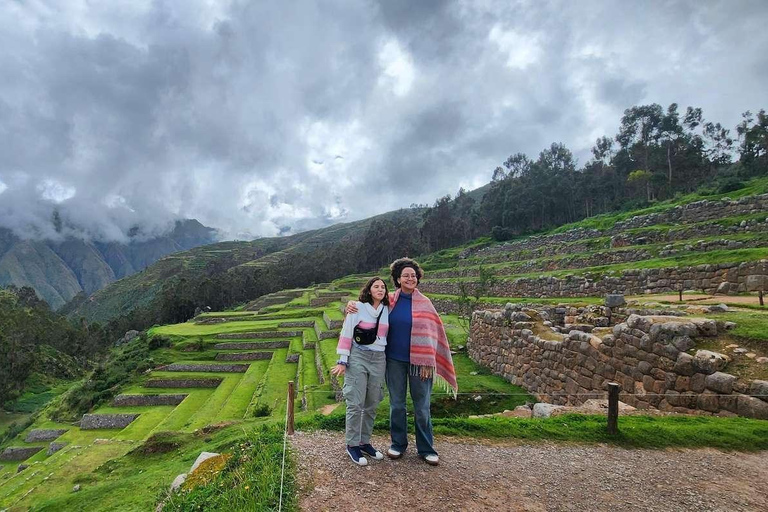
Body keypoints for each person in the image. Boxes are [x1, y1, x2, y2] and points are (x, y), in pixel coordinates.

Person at [347, 257, 457, 466]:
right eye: (405, 275)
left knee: (422, 406)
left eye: (413, 275)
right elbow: (364, 307)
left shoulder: (426, 303)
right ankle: (398, 444)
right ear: (397, 279)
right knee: (397, 405)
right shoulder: (389, 300)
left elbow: (436, 331)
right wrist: (350, 305)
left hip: (421, 364)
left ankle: (426, 448)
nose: (410, 278)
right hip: (394, 361)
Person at [331, 277, 390, 466]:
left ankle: (365, 442)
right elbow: (347, 331)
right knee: (355, 402)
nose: (380, 289)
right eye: (376, 286)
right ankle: (352, 445)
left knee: (372, 403)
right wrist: (342, 360)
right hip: (358, 356)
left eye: (383, 287)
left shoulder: (387, 309)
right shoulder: (357, 307)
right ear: (369, 289)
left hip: (379, 358)